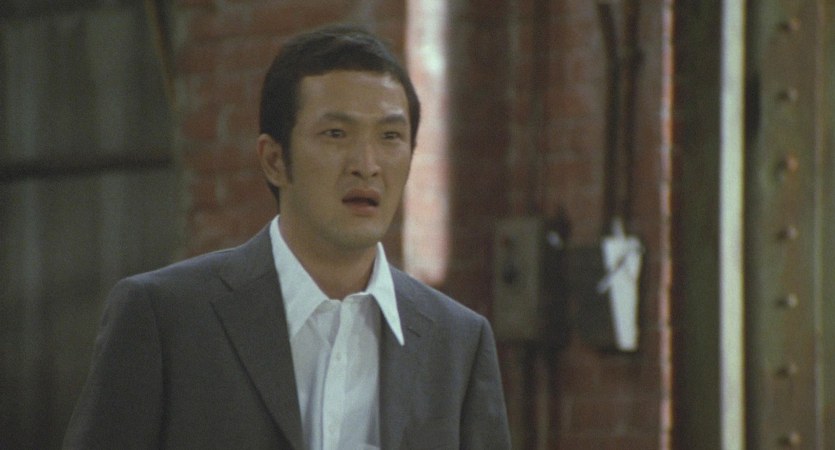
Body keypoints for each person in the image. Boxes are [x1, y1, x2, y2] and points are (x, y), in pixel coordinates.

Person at [64, 24, 511, 449]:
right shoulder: (165, 317)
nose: (367, 165)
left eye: (390, 136)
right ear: (274, 160)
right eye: (336, 133)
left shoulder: (458, 342)